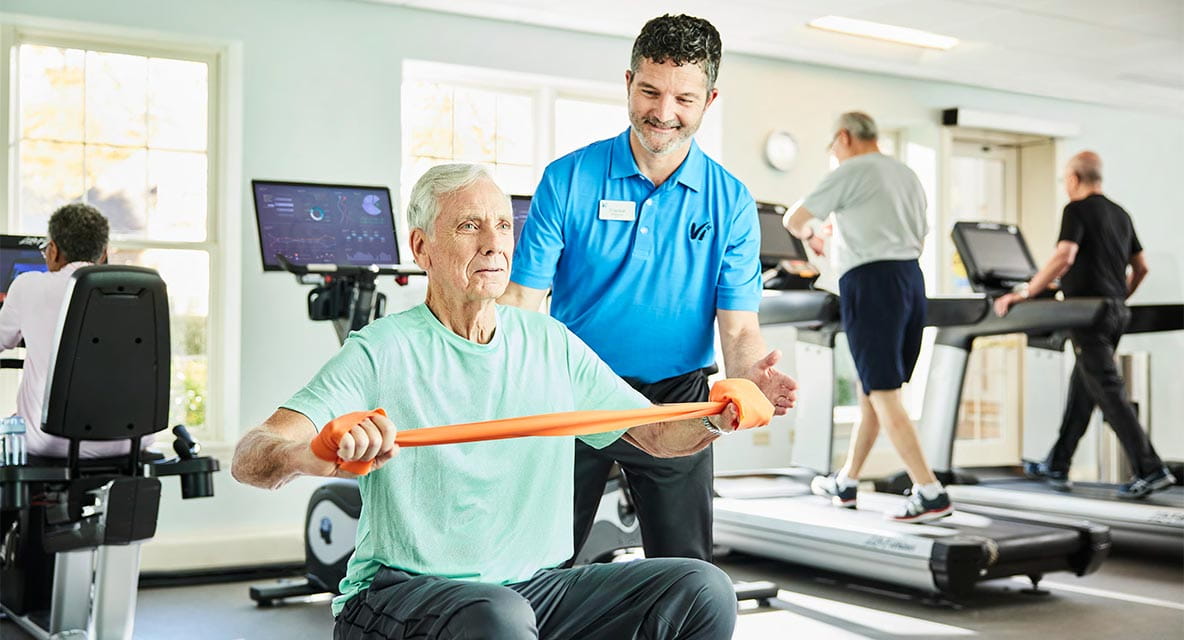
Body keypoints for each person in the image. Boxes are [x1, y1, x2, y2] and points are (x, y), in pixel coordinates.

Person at [232, 164, 745, 640]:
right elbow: (252, 455)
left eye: (503, 225)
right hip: (401, 593)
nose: (494, 243)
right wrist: (314, 454)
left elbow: (655, 434)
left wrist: (722, 416)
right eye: (469, 226)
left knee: (702, 590)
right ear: (422, 247)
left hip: (534, 590)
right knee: (498, 616)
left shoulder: (551, 342)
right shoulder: (381, 349)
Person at [500, 14, 797, 563]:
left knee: (685, 571)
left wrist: (751, 375)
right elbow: (520, 302)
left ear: (709, 100)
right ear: (628, 83)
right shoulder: (567, 179)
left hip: (677, 399)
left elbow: (739, 328)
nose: (664, 113)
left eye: (684, 99)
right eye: (650, 91)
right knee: (535, 564)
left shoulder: (729, 201)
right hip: (574, 391)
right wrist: (480, 373)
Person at [783, 111, 953, 523]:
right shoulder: (906, 173)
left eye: (833, 148)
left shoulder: (854, 169)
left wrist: (813, 236)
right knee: (874, 393)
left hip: (871, 282)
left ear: (843, 137)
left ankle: (930, 492)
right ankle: (847, 481)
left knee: (883, 392)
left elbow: (794, 219)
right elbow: (918, 232)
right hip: (911, 279)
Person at [994, 151, 1175, 499]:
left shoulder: (1075, 209)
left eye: (1065, 180)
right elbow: (1141, 268)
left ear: (1074, 179)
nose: (1066, 186)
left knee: (1108, 391)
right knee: (1085, 387)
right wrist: (1119, 297)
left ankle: (1150, 469)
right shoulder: (1120, 214)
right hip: (1114, 313)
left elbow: (1065, 255)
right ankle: (1058, 462)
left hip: (1087, 315)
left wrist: (1027, 292)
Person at [0, 203, 148, 458]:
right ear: (103, 254)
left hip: (51, 445)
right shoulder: (142, 290)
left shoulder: (27, 286)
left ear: (53, 251)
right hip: (132, 442)